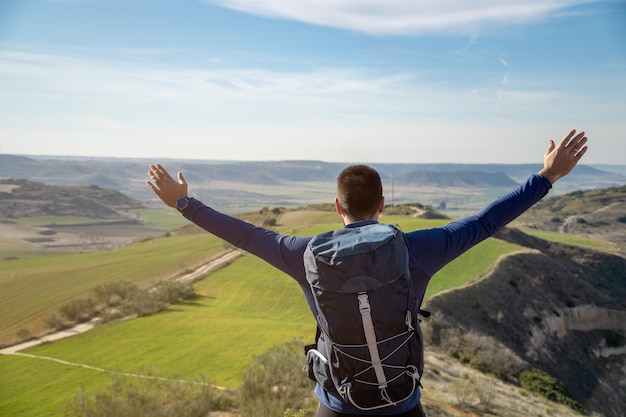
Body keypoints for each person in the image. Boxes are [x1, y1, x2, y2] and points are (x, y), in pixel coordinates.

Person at [146, 129, 588, 416]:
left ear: (337, 206)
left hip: (338, 402)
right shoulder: (415, 251)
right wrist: (546, 177)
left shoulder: (304, 255)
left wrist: (183, 203)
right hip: (402, 401)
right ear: (382, 205)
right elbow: (484, 222)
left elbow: (244, 235)